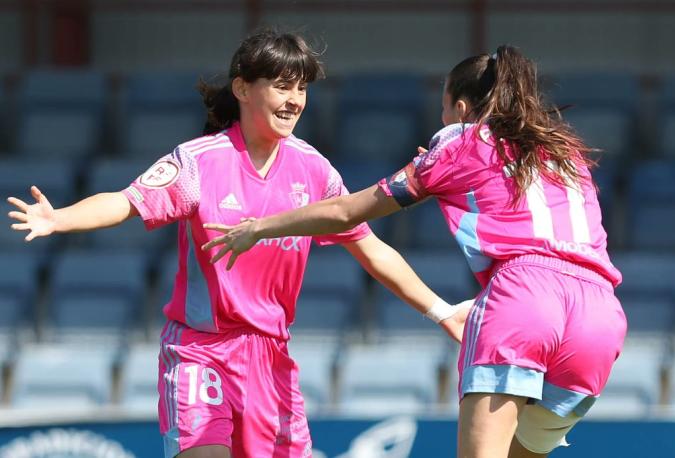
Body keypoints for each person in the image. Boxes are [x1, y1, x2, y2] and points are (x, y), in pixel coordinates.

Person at [6, 30, 471, 458]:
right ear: (242, 88)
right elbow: (127, 202)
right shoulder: (198, 163)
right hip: (201, 352)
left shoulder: (314, 171)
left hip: (271, 360)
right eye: (281, 86)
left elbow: (371, 249)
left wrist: (441, 310)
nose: (294, 101)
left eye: (302, 89)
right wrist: (59, 218)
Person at [200, 45, 628, 458]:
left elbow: (346, 211)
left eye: (444, 109)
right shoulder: (564, 151)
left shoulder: (460, 143)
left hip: (526, 299)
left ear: (460, 110)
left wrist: (258, 228)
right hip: (600, 317)